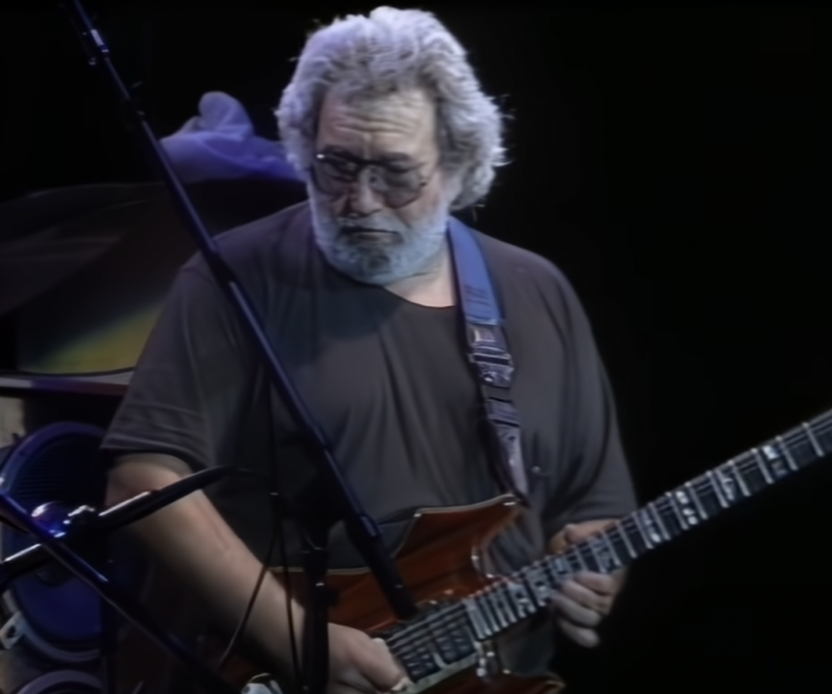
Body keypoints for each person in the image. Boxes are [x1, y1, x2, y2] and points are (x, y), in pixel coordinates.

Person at [101, 7, 637, 694]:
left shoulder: (537, 292)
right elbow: (145, 481)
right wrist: (296, 640)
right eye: (336, 166)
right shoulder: (232, 277)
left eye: (394, 174)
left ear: (458, 165)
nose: (359, 201)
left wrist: (595, 573)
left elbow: (593, 506)